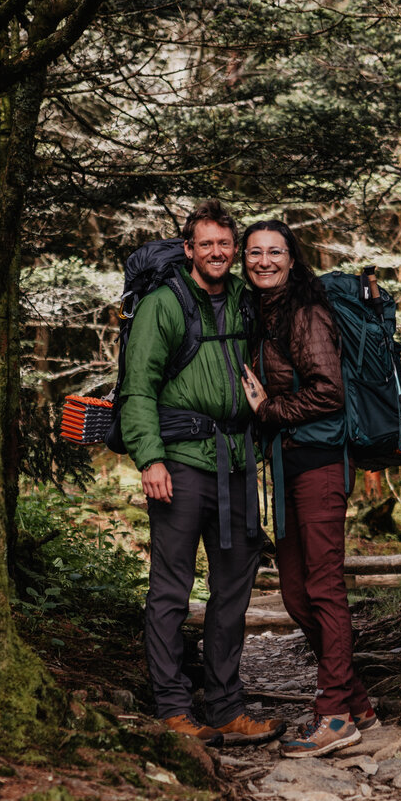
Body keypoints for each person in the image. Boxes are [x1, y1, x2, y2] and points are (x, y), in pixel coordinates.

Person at [120, 200, 285, 745]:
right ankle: (172, 709)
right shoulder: (163, 305)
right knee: (171, 589)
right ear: (188, 249)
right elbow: (138, 387)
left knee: (233, 590)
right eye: (206, 243)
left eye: (224, 244)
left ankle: (226, 707)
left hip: (236, 462)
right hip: (180, 464)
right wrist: (150, 458)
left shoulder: (243, 298)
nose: (216, 252)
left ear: (234, 250)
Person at [240, 220, 377, 757]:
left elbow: (329, 392)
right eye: (255, 252)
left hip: (320, 464)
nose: (264, 261)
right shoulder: (265, 313)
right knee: (296, 594)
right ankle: (357, 702)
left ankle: (335, 715)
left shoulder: (305, 312)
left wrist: (269, 411)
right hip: (291, 464)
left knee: (323, 588)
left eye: (275, 252)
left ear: (292, 259)